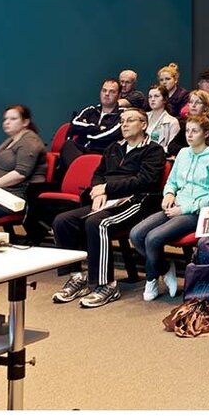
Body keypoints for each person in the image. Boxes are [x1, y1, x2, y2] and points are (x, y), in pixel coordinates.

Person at [51, 108, 166, 309]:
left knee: (98, 223)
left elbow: (145, 181)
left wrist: (107, 187)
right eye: (122, 121)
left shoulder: (153, 150)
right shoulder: (113, 147)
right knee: (63, 221)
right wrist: (99, 189)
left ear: (144, 125)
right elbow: (99, 173)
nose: (125, 124)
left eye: (130, 120)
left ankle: (107, 285)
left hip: (135, 202)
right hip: (107, 199)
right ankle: (77, 277)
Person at [130, 114, 209, 302]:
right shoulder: (183, 153)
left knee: (153, 238)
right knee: (136, 234)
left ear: (206, 134)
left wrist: (184, 209)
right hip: (175, 205)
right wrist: (169, 194)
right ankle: (165, 268)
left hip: (197, 212)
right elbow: (171, 182)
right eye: (187, 130)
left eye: (194, 131)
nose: (189, 135)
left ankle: (151, 280)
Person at [60, 78, 123, 168]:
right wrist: (96, 128)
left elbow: (109, 135)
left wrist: (86, 132)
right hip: (79, 149)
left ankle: (78, 172)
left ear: (119, 95)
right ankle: (78, 172)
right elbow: (74, 125)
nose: (107, 94)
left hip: (100, 153)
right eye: (104, 90)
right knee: (68, 144)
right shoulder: (90, 110)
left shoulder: (122, 115)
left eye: (112, 91)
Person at [168, 89, 209, 157]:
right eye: (191, 102)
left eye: (198, 102)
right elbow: (171, 146)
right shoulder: (187, 123)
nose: (193, 105)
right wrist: (188, 152)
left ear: (206, 106)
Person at [145, 85, 180, 150]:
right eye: (150, 97)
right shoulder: (143, 117)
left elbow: (171, 147)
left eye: (156, 96)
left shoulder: (172, 122)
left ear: (165, 99)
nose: (152, 99)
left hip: (159, 156)